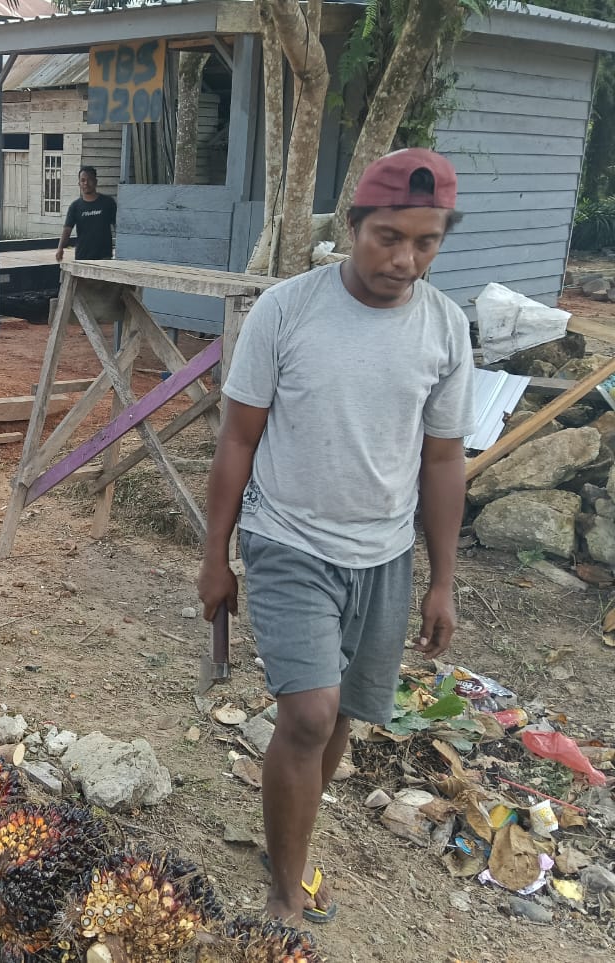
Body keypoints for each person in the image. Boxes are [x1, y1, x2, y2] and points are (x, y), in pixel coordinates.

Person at [197, 148, 475, 926]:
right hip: (287, 538)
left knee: (344, 712)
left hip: (383, 553)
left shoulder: (446, 329)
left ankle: (288, 844)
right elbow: (238, 439)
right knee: (310, 714)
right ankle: (284, 896)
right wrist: (215, 556)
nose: (404, 259)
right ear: (353, 226)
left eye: (425, 242)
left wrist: (441, 579)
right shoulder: (287, 311)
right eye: (388, 236)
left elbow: (443, 459)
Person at [56, 165, 118, 262]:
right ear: (79, 184)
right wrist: (60, 248)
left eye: (90, 180)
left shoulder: (108, 203)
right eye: (83, 180)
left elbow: (118, 227)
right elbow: (67, 229)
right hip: (82, 257)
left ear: (96, 182)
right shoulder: (75, 206)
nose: (86, 183)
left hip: (104, 257)